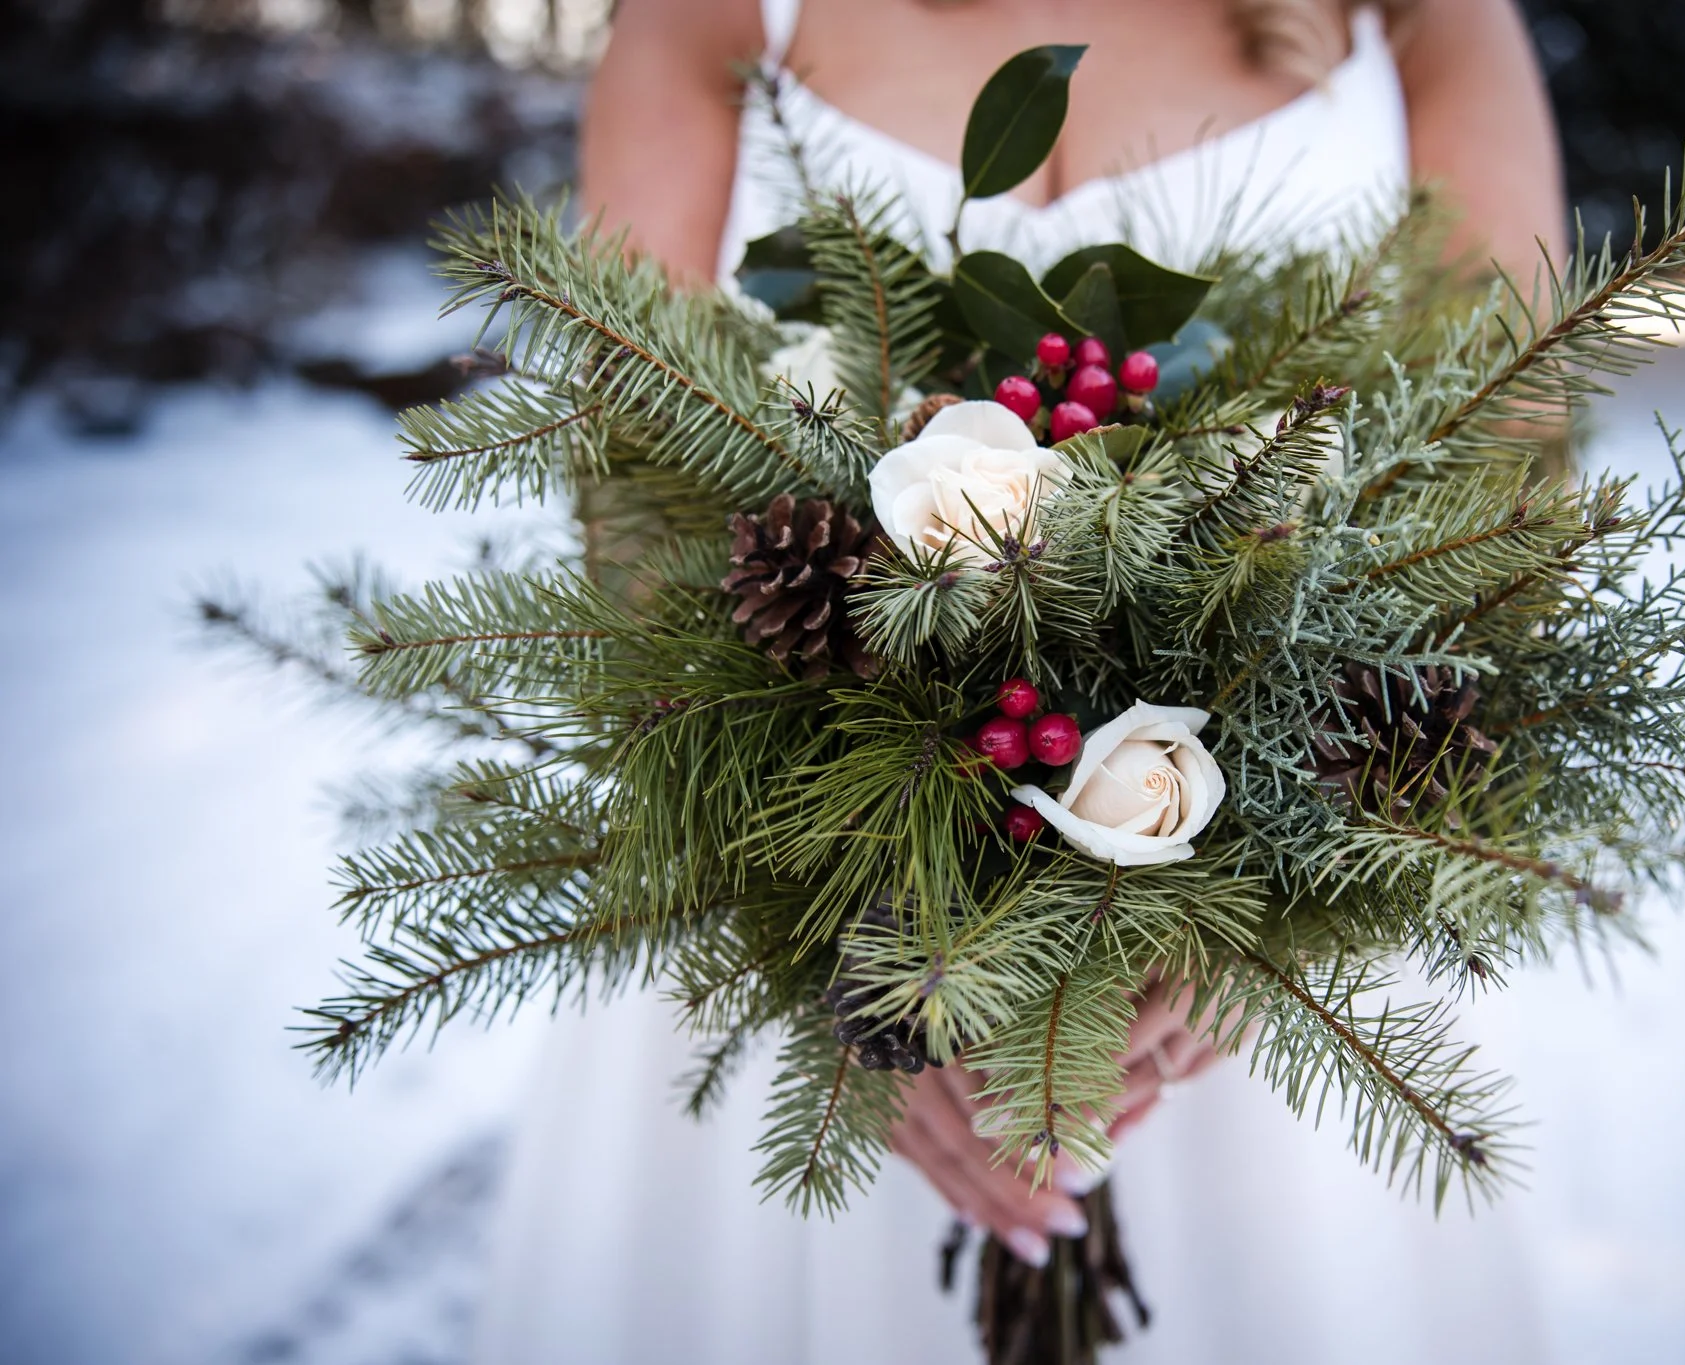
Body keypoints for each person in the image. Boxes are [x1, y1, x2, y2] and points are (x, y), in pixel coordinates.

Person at [477, 3, 1562, 1360]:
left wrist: (1278, 929)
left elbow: (1505, 488)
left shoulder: (1425, 23)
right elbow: (641, 503)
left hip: (1269, 970)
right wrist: (849, 965)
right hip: (834, 919)